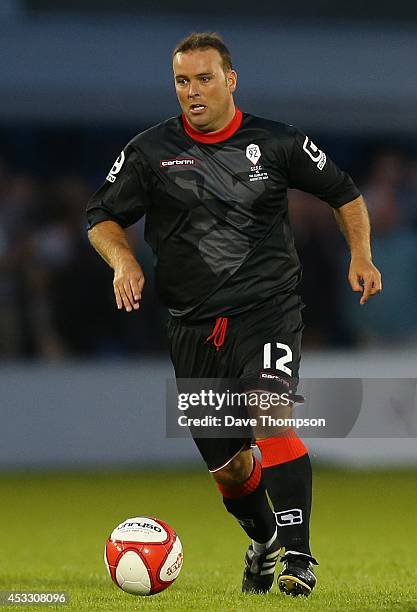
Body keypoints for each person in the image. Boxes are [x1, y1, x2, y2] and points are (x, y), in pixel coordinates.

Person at [86, 32, 382, 597]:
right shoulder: (149, 151)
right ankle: (266, 540)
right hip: (192, 325)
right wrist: (122, 262)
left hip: (266, 310)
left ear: (230, 80)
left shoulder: (275, 142)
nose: (192, 92)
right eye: (181, 81)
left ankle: (300, 559)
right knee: (230, 469)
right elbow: (101, 216)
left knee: (270, 411)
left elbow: (343, 192)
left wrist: (361, 254)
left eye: (204, 79)